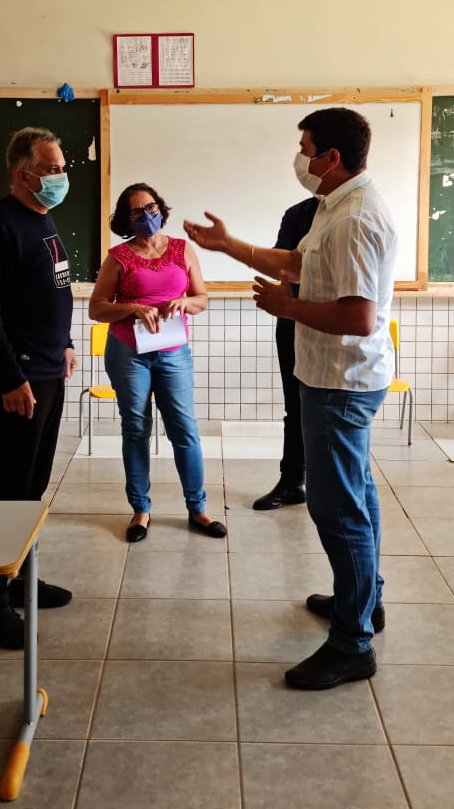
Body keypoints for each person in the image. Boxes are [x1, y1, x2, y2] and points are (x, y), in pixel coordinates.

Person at [184, 107, 397, 691]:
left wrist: (288, 307)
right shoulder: (336, 206)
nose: (299, 158)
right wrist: (230, 246)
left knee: (338, 510)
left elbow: (357, 317)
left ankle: (352, 643)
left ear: (331, 157)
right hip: (335, 377)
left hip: (339, 382)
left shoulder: (355, 217)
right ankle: (365, 601)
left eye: (305, 149)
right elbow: (301, 263)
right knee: (358, 495)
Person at [0, 126, 76, 649]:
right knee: (9, 488)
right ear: (21, 173)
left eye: (61, 167)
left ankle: (18, 577)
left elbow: (50, 291)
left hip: (48, 370)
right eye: (51, 169)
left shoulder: (42, 218)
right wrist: (10, 376)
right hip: (19, 378)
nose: (60, 177)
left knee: (32, 485)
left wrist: (66, 343)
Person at [88, 183, 225, 542]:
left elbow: (201, 298)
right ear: (126, 219)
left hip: (173, 352)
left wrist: (185, 303)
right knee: (136, 429)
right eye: (136, 211)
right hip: (128, 354)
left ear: (160, 209)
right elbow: (96, 308)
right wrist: (132, 308)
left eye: (150, 207)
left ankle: (198, 508)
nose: (146, 215)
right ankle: (140, 510)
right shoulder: (118, 257)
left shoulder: (182, 249)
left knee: (184, 430)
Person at [252, 196, 319, 511]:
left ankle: (328, 484)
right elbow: (283, 264)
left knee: (329, 409)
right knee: (296, 407)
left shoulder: (352, 210)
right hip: (291, 322)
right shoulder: (297, 214)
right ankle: (292, 481)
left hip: (331, 323)